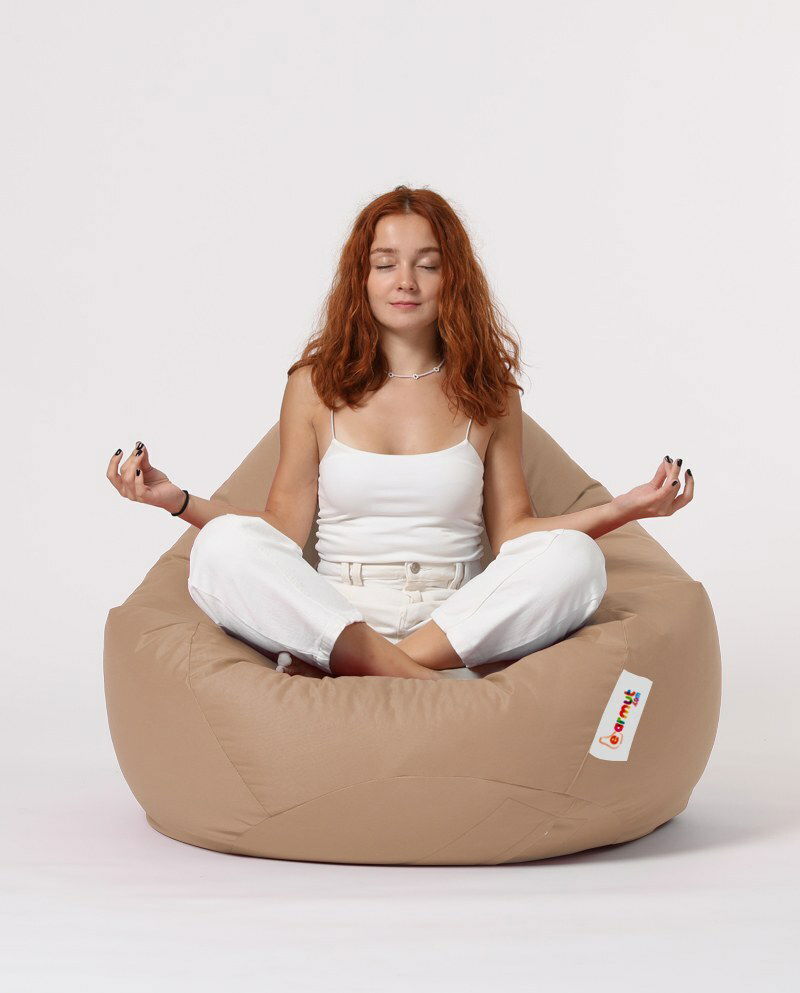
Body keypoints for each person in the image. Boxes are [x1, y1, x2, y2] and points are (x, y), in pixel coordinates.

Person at [106, 185, 694, 681]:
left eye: (427, 265)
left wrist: (627, 508)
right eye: (385, 264)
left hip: (454, 621)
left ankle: (381, 669)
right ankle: (423, 683)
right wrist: (176, 501)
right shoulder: (314, 385)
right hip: (337, 613)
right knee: (220, 550)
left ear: (452, 279)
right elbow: (281, 529)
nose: (405, 281)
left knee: (576, 560)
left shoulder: (490, 391)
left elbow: (515, 535)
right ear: (361, 278)